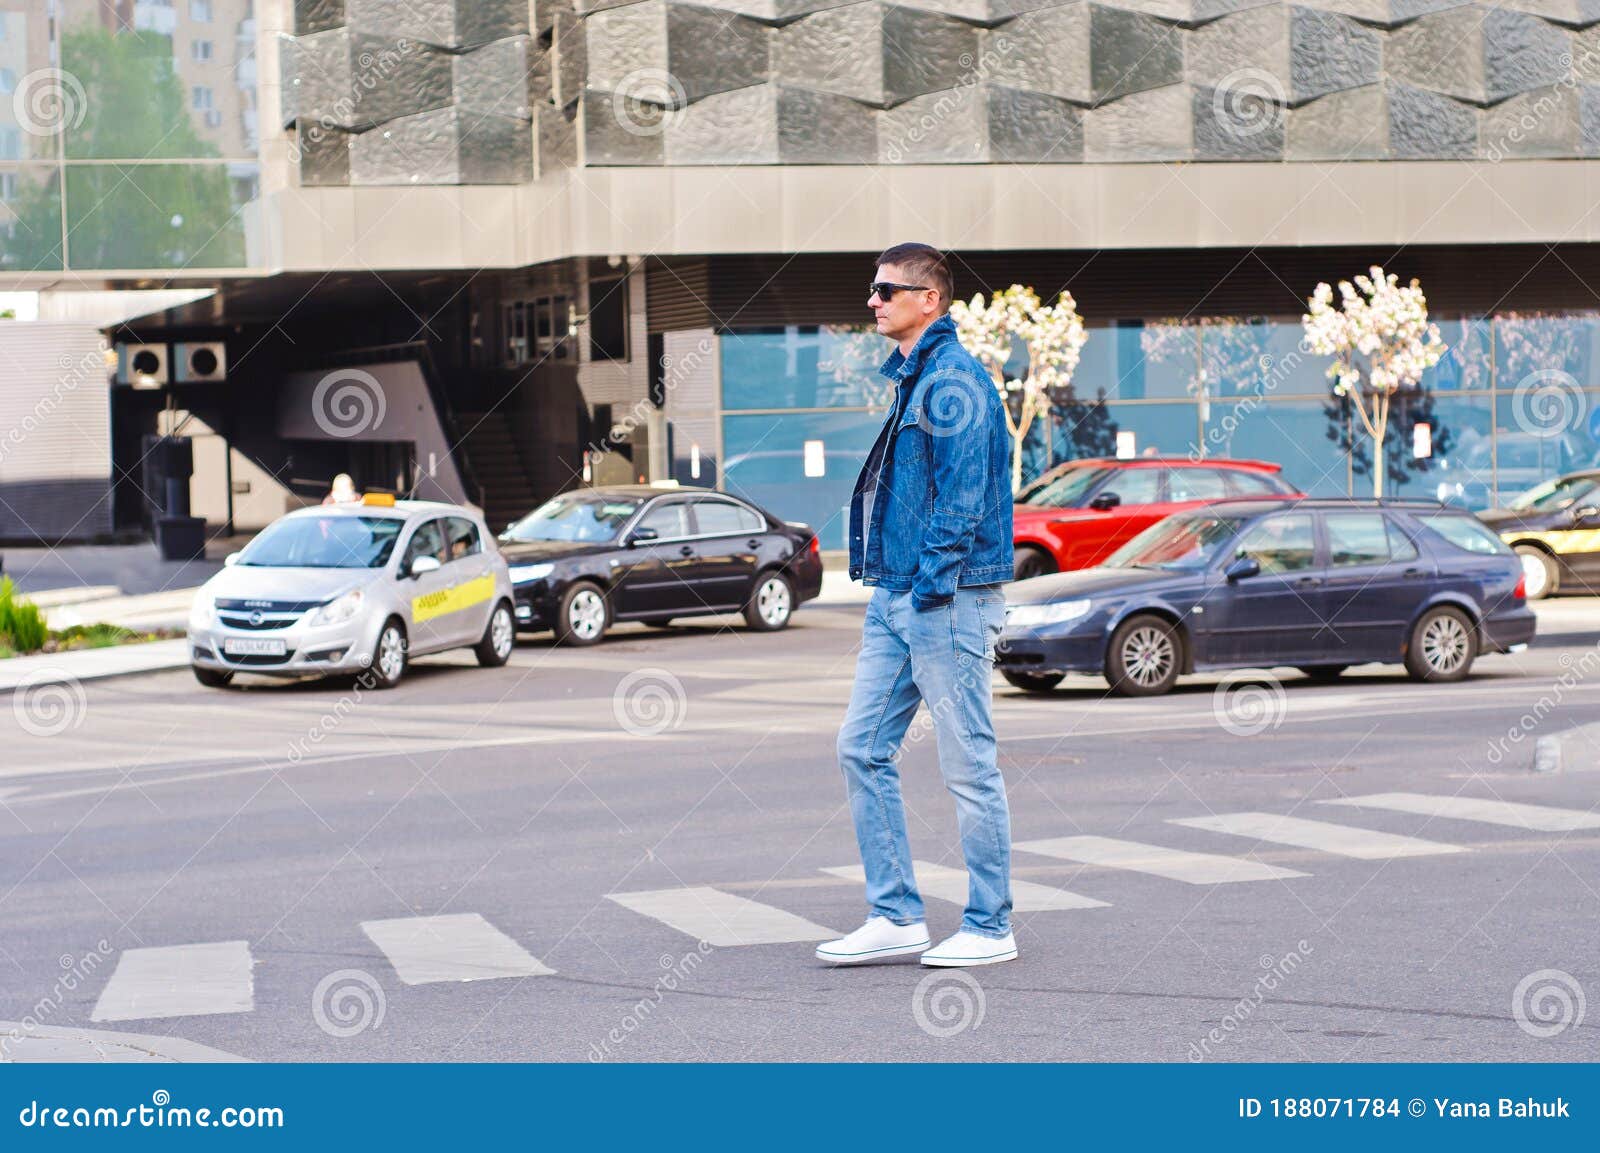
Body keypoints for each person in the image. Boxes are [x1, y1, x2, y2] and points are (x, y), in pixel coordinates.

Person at [816, 242, 1017, 969]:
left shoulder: (953, 381)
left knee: (969, 764)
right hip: (898, 594)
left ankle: (991, 924)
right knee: (861, 747)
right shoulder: (917, 377)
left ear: (928, 299)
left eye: (886, 289)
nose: (873, 299)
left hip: (945, 599)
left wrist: (928, 589)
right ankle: (896, 913)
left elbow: (963, 503)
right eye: (872, 288)